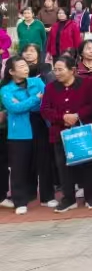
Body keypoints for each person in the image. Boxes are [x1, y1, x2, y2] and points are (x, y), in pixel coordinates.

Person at [40, 55, 92, 212]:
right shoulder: (50, 88)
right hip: (60, 132)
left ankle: (91, 196)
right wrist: (63, 118)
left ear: (72, 70)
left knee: (88, 164)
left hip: (82, 131)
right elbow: (45, 109)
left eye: (60, 69)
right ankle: (69, 198)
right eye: (55, 70)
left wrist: (77, 116)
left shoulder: (87, 84)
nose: (57, 73)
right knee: (64, 167)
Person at [0, 56, 47, 215]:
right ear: (11, 71)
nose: (25, 68)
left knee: (40, 162)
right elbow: (15, 108)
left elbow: (45, 102)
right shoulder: (6, 89)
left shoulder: (37, 82)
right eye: (20, 66)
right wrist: (35, 98)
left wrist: (25, 103)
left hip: (39, 125)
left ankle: (41, 196)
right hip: (19, 131)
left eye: (25, 65)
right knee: (19, 167)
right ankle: (20, 201)